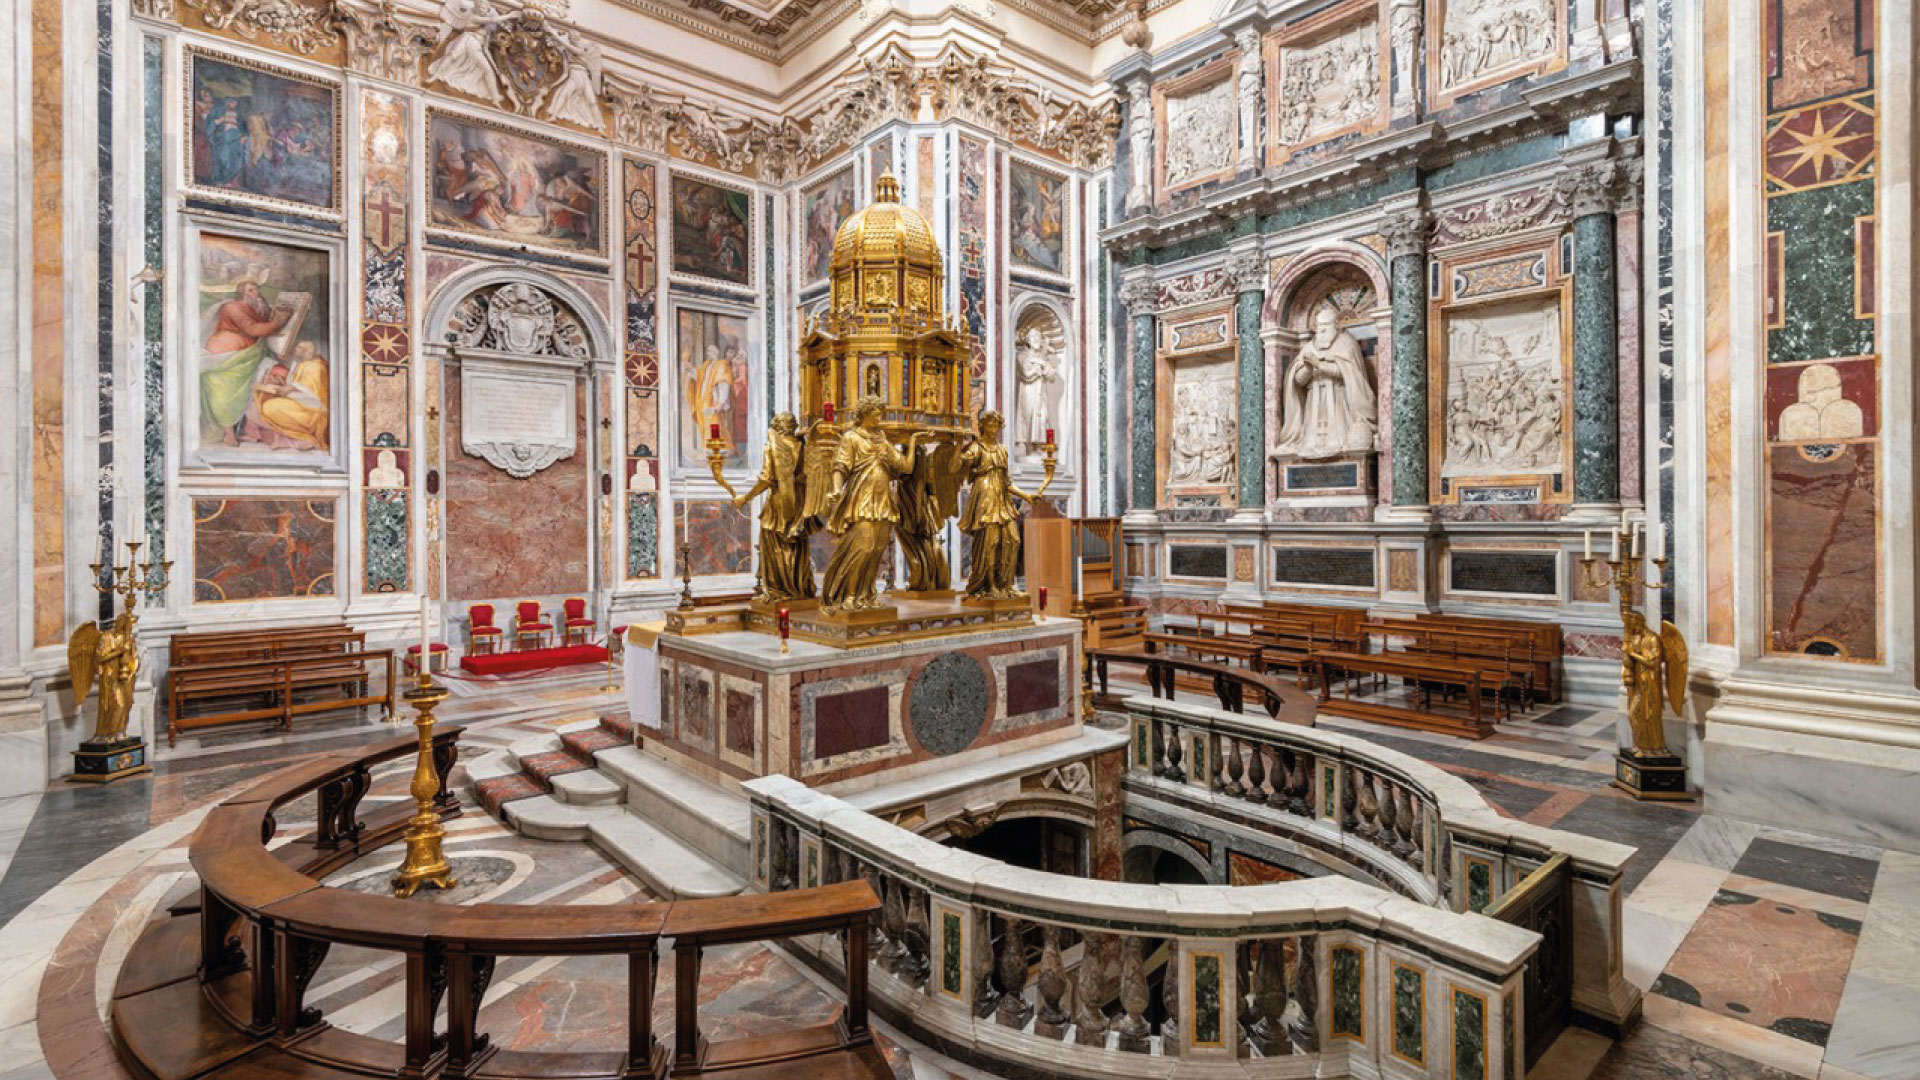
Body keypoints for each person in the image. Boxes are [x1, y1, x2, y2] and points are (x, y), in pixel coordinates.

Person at [819, 397, 922, 611]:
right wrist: (836, 488)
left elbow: (906, 467)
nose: (879, 417)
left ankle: (866, 595)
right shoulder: (851, 437)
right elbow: (841, 467)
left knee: (876, 550)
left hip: (883, 502)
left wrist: (912, 442)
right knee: (862, 549)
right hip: (861, 500)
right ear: (864, 413)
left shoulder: (881, 439)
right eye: (876, 413)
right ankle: (848, 596)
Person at [732, 413, 815, 603]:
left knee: (774, 543)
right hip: (799, 503)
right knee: (796, 542)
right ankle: (798, 588)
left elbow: (767, 479)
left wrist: (745, 498)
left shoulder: (772, 447)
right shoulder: (802, 446)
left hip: (778, 504)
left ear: (777, 427)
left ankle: (779, 590)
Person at [1274, 307, 1377, 459]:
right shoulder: (1309, 347)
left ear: (1336, 324)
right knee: (1310, 444)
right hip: (1314, 402)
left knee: (1341, 440)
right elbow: (1297, 381)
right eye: (1319, 325)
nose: (1322, 329)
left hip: (1338, 399)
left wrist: (1319, 365)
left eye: (1326, 325)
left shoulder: (1346, 343)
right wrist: (1308, 369)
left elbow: (1348, 372)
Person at [201, 280, 291, 446]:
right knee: (224, 392)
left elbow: (265, 325)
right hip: (227, 360)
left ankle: (254, 429)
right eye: (250, 290)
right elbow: (252, 329)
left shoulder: (257, 308)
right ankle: (228, 433)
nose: (256, 293)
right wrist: (277, 323)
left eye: (256, 289)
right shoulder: (233, 307)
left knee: (272, 377)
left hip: (248, 357)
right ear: (241, 294)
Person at [955, 411, 1034, 600]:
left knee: (1013, 540)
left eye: (996, 425)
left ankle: (1005, 584)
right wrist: (958, 447)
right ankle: (988, 586)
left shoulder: (1002, 450)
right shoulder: (977, 448)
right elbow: (958, 466)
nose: (993, 429)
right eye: (990, 425)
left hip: (1001, 499)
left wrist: (1026, 495)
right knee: (990, 543)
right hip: (985, 498)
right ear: (983, 427)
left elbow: (1007, 481)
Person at [253, 341, 331, 450]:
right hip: (302, 404)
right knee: (266, 402)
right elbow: (297, 384)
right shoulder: (305, 364)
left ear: (306, 351)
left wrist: (288, 389)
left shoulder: (314, 367)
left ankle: (302, 438)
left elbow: (312, 395)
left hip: (312, 413)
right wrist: (283, 384)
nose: (295, 349)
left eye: (298, 347)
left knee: (269, 407)